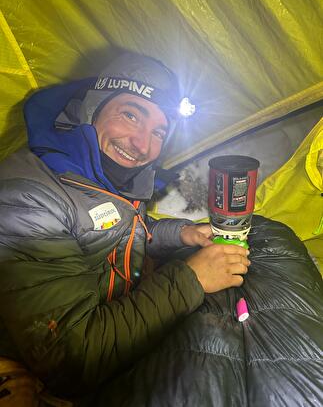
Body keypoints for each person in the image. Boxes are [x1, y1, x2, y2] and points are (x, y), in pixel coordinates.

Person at [0, 52, 250, 402]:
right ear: (92, 108)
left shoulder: (99, 172)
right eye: (131, 115)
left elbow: (119, 225)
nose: (143, 145)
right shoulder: (28, 198)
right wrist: (191, 279)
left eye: (158, 132)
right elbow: (73, 361)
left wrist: (180, 233)